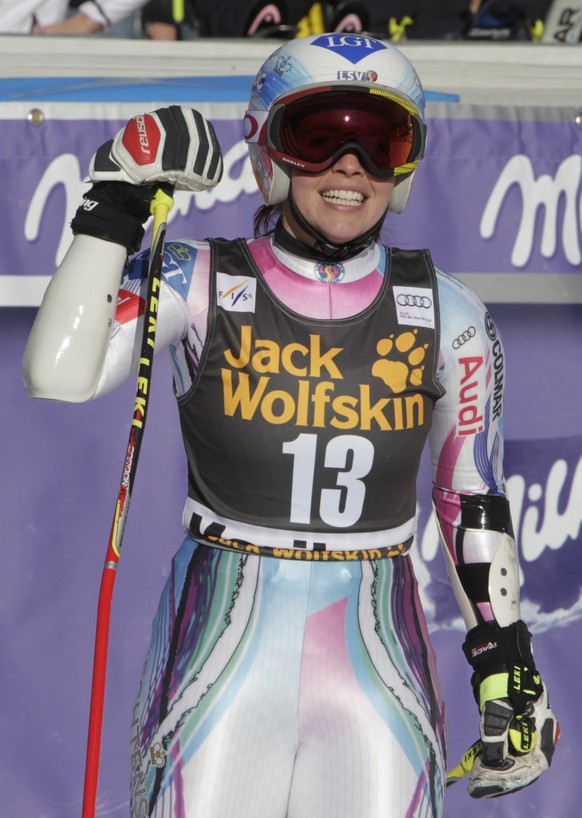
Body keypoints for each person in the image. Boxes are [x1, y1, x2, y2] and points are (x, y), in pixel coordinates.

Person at [22, 33, 558, 818]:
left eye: (381, 141)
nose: (350, 165)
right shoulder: (199, 278)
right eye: (318, 135)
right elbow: (57, 372)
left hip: (377, 651)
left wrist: (506, 662)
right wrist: (115, 194)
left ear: (406, 164)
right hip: (221, 637)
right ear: (268, 148)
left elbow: (470, 496)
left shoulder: (451, 311)